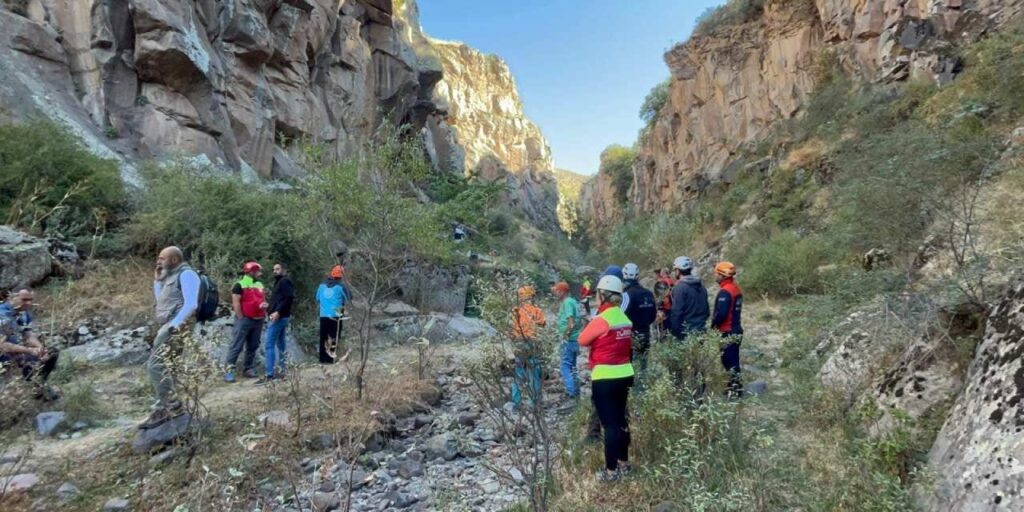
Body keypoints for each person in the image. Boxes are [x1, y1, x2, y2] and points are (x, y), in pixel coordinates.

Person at [578, 275, 634, 481]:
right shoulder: (624, 318)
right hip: (625, 373)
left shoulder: (602, 319)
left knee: (609, 424)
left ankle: (611, 472)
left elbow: (582, 339)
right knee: (621, 420)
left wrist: (591, 324)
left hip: (605, 377)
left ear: (602, 295)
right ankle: (624, 462)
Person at [141, 246, 200, 428]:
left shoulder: (187, 275)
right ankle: (165, 406)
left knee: (155, 365)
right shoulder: (169, 276)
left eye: (162, 258)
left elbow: (192, 304)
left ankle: (170, 407)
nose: (158, 261)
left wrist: (174, 326)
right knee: (168, 366)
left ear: (174, 260)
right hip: (170, 324)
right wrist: (157, 281)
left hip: (175, 326)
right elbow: (161, 302)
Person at [0, 289, 60, 399]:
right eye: (24, 300)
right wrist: (29, 350)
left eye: (30, 300)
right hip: (3, 354)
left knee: (52, 353)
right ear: (11, 298)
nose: (29, 303)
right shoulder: (2, 315)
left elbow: (28, 334)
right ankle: (33, 388)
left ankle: (38, 385)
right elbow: (2, 345)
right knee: (26, 358)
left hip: (15, 350)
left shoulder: (23, 312)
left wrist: (40, 348)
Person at [225, 261, 267, 382]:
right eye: (258, 271)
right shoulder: (239, 285)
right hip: (245, 319)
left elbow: (261, 299)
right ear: (251, 272)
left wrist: (264, 306)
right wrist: (240, 317)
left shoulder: (259, 284)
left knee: (253, 345)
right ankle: (229, 371)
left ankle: (248, 368)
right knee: (236, 345)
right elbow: (236, 302)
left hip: (258, 319)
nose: (260, 273)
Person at [711, 262, 744, 397]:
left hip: (728, 330)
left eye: (717, 274)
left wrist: (713, 325)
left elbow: (722, 313)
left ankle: (736, 390)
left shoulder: (726, 291)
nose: (715, 276)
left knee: (729, 361)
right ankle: (733, 386)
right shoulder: (736, 288)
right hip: (736, 328)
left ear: (722, 275)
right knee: (732, 360)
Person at [511, 285, 546, 407]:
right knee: (534, 373)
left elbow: (511, 329)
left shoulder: (515, 311)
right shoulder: (537, 311)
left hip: (519, 343)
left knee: (519, 372)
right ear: (531, 296)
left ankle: (516, 403)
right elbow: (542, 325)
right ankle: (534, 404)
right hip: (533, 343)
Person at [260, 262, 294, 383]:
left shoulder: (285, 281)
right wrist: (269, 306)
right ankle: (283, 372)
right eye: (274, 269)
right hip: (280, 316)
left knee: (269, 344)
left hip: (279, 317)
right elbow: (280, 300)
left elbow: (288, 298)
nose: (275, 271)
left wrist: (278, 312)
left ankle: (270, 374)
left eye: (278, 269)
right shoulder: (279, 282)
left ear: (284, 270)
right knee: (281, 344)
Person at [622, 263, 657, 378]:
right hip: (646, 333)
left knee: (630, 368)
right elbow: (653, 315)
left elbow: (621, 315)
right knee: (642, 367)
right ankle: (642, 391)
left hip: (631, 336)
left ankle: (634, 393)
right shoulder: (648, 293)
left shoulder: (626, 295)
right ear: (637, 276)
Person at [551, 281, 583, 400]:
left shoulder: (567, 302)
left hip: (569, 340)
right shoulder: (574, 301)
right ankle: (576, 390)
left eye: (557, 291)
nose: (556, 293)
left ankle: (570, 393)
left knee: (565, 366)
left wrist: (564, 335)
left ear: (563, 292)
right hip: (575, 339)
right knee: (573, 366)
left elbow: (571, 322)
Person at [668, 256, 709, 341]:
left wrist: (675, 333)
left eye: (675, 269)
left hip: (686, 334)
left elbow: (676, 313)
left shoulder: (679, 288)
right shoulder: (701, 286)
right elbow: (707, 311)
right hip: (701, 331)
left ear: (678, 271)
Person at [316, 265, 347, 364]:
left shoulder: (321, 286)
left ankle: (322, 359)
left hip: (323, 315)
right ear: (341, 276)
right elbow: (349, 298)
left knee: (323, 337)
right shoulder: (340, 287)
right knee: (334, 336)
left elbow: (317, 298)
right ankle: (331, 359)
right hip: (336, 315)